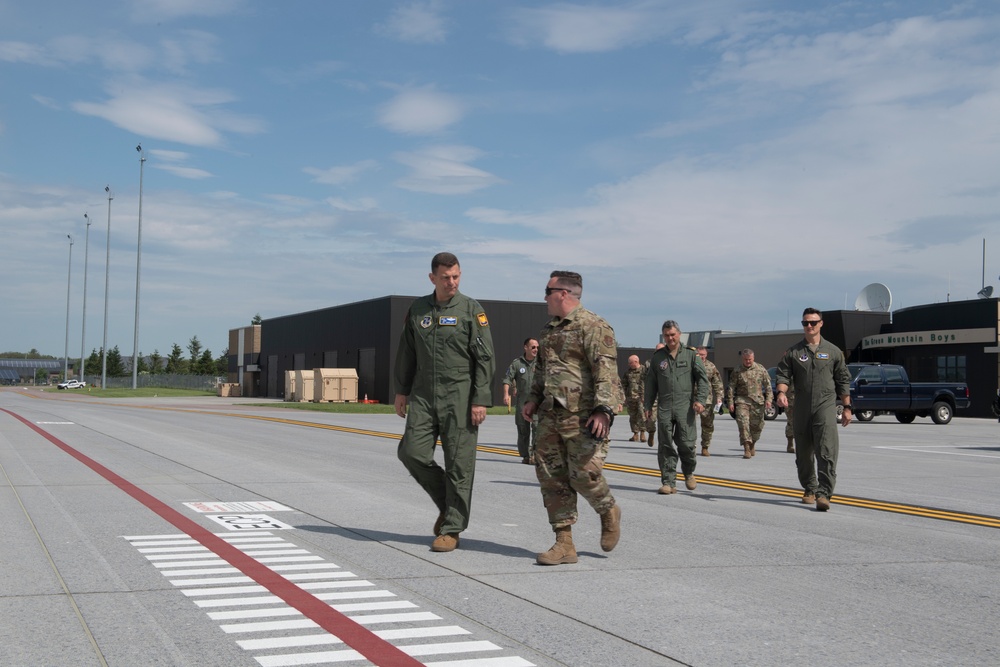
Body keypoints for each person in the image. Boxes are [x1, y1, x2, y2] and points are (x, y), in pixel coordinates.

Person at [394, 252, 495, 552]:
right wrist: (402, 391)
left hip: (460, 396)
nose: (452, 282)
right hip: (424, 394)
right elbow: (407, 352)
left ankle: (451, 528)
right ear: (432, 278)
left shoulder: (471, 310)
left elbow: (485, 357)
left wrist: (480, 399)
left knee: (459, 465)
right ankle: (449, 504)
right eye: (445, 277)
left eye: (456, 276)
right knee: (411, 452)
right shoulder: (418, 309)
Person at [523, 270, 622, 565]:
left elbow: (606, 371)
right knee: (552, 478)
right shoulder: (549, 330)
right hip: (550, 415)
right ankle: (564, 543)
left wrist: (604, 410)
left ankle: (608, 509)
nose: (544, 297)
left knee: (583, 475)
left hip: (583, 417)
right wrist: (533, 398)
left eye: (548, 290)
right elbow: (542, 371)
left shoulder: (593, 326)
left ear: (563, 294)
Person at [775, 308, 852, 512]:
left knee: (826, 450)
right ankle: (810, 487)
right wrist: (781, 393)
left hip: (825, 406)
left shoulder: (834, 352)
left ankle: (824, 493)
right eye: (805, 323)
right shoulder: (794, 352)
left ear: (821, 324)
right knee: (803, 453)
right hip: (801, 408)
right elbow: (783, 374)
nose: (809, 326)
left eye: (813, 322)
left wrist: (847, 407)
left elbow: (843, 379)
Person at [644, 321, 708, 494]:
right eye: (667, 335)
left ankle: (688, 472)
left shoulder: (691, 355)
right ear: (663, 336)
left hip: (685, 407)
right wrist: (648, 405)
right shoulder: (658, 358)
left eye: (673, 334)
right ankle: (668, 482)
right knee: (665, 444)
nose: (670, 338)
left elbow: (702, 380)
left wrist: (701, 400)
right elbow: (650, 384)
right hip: (664, 406)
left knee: (686, 444)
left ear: (679, 334)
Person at [726, 348, 774, 459]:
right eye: (746, 359)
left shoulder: (760, 369)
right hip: (742, 401)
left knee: (757, 427)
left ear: (754, 358)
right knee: (743, 424)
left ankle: (753, 443)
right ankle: (746, 448)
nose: (748, 361)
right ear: (742, 358)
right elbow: (731, 387)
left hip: (758, 402)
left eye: (750, 359)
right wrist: (731, 402)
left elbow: (768, 386)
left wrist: (769, 400)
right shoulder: (737, 370)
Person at [502, 338, 539, 464]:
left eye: (537, 347)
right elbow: (507, 379)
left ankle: (535, 455)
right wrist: (506, 394)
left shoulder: (541, 363)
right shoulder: (517, 364)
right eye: (533, 347)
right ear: (526, 348)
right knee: (523, 431)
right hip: (522, 404)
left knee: (537, 429)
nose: (536, 350)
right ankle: (526, 456)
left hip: (536, 404)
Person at [695, 346, 724, 456]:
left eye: (703, 355)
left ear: (706, 355)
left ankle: (705, 446)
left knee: (707, 424)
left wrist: (719, 397)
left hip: (706, 400)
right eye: (700, 354)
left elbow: (717, 383)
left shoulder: (711, 366)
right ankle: (691, 446)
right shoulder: (690, 364)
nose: (702, 357)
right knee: (689, 425)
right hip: (692, 400)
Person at [621, 355, 647, 442]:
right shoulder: (627, 373)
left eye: (630, 363)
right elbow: (623, 385)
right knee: (632, 416)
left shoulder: (645, 370)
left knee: (642, 415)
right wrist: (623, 396)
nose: (629, 365)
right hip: (631, 398)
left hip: (641, 397)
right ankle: (635, 434)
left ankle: (643, 433)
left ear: (636, 362)